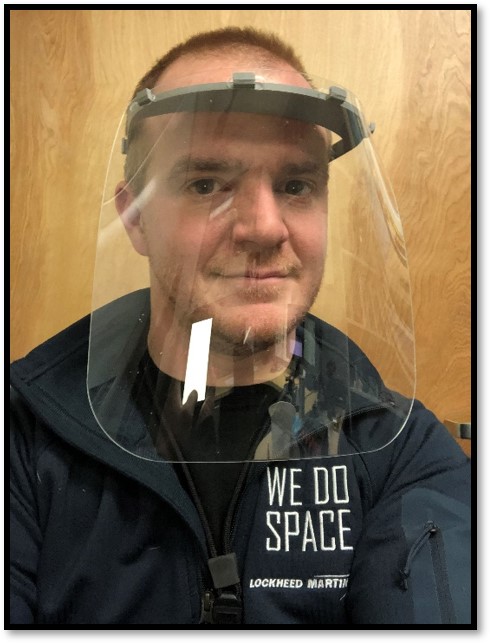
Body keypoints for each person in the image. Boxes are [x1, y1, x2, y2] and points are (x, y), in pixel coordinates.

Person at [10, 27, 471, 626]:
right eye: (206, 184)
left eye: (295, 185)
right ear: (136, 219)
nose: (263, 227)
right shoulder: (24, 434)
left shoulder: (406, 453)